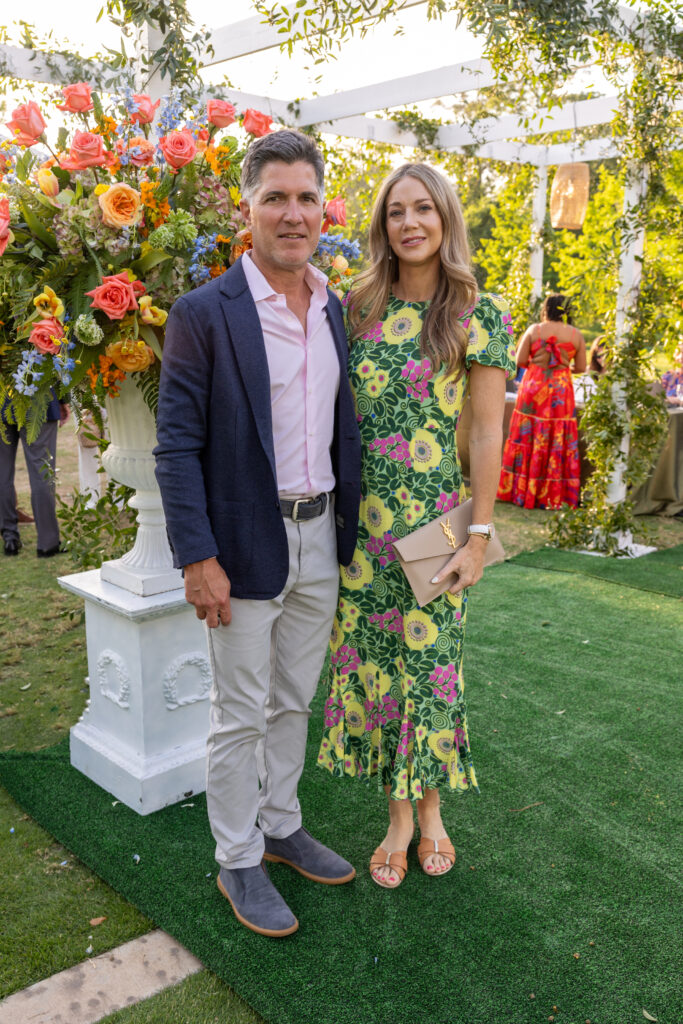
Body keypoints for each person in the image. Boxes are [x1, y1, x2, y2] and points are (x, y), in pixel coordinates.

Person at [154, 130, 361, 938]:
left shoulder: (334, 307)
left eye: (306, 197)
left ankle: (281, 825)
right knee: (238, 711)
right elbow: (177, 445)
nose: (292, 213)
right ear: (247, 209)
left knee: (293, 701)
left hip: (319, 538)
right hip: (241, 542)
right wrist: (196, 556)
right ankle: (236, 857)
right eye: (274, 197)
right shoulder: (204, 313)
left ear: (321, 208)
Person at [317, 163, 515, 889]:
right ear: (381, 224)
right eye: (395, 211)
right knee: (379, 672)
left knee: (430, 671)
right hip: (359, 534)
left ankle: (426, 816)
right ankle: (400, 816)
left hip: (434, 532)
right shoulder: (355, 307)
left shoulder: (476, 312)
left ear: (444, 218)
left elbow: (489, 434)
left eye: (422, 209)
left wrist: (479, 535)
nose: (409, 223)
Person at [497, 293, 586, 509]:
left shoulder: (534, 330)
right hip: (560, 391)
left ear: (546, 309)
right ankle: (554, 496)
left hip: (534, 388)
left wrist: (540, 363)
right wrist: (562, 366)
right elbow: (582, 368)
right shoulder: (576, 335)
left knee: (527, 434)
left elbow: (520, 361)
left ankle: (522, 492)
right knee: (557, 437)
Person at [0, 392, 69, 556]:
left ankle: (9, 538)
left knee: (2, 473)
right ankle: (48, 543)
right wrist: (63, 399)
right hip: (39, 400)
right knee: (42, 474)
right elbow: (59, 367)